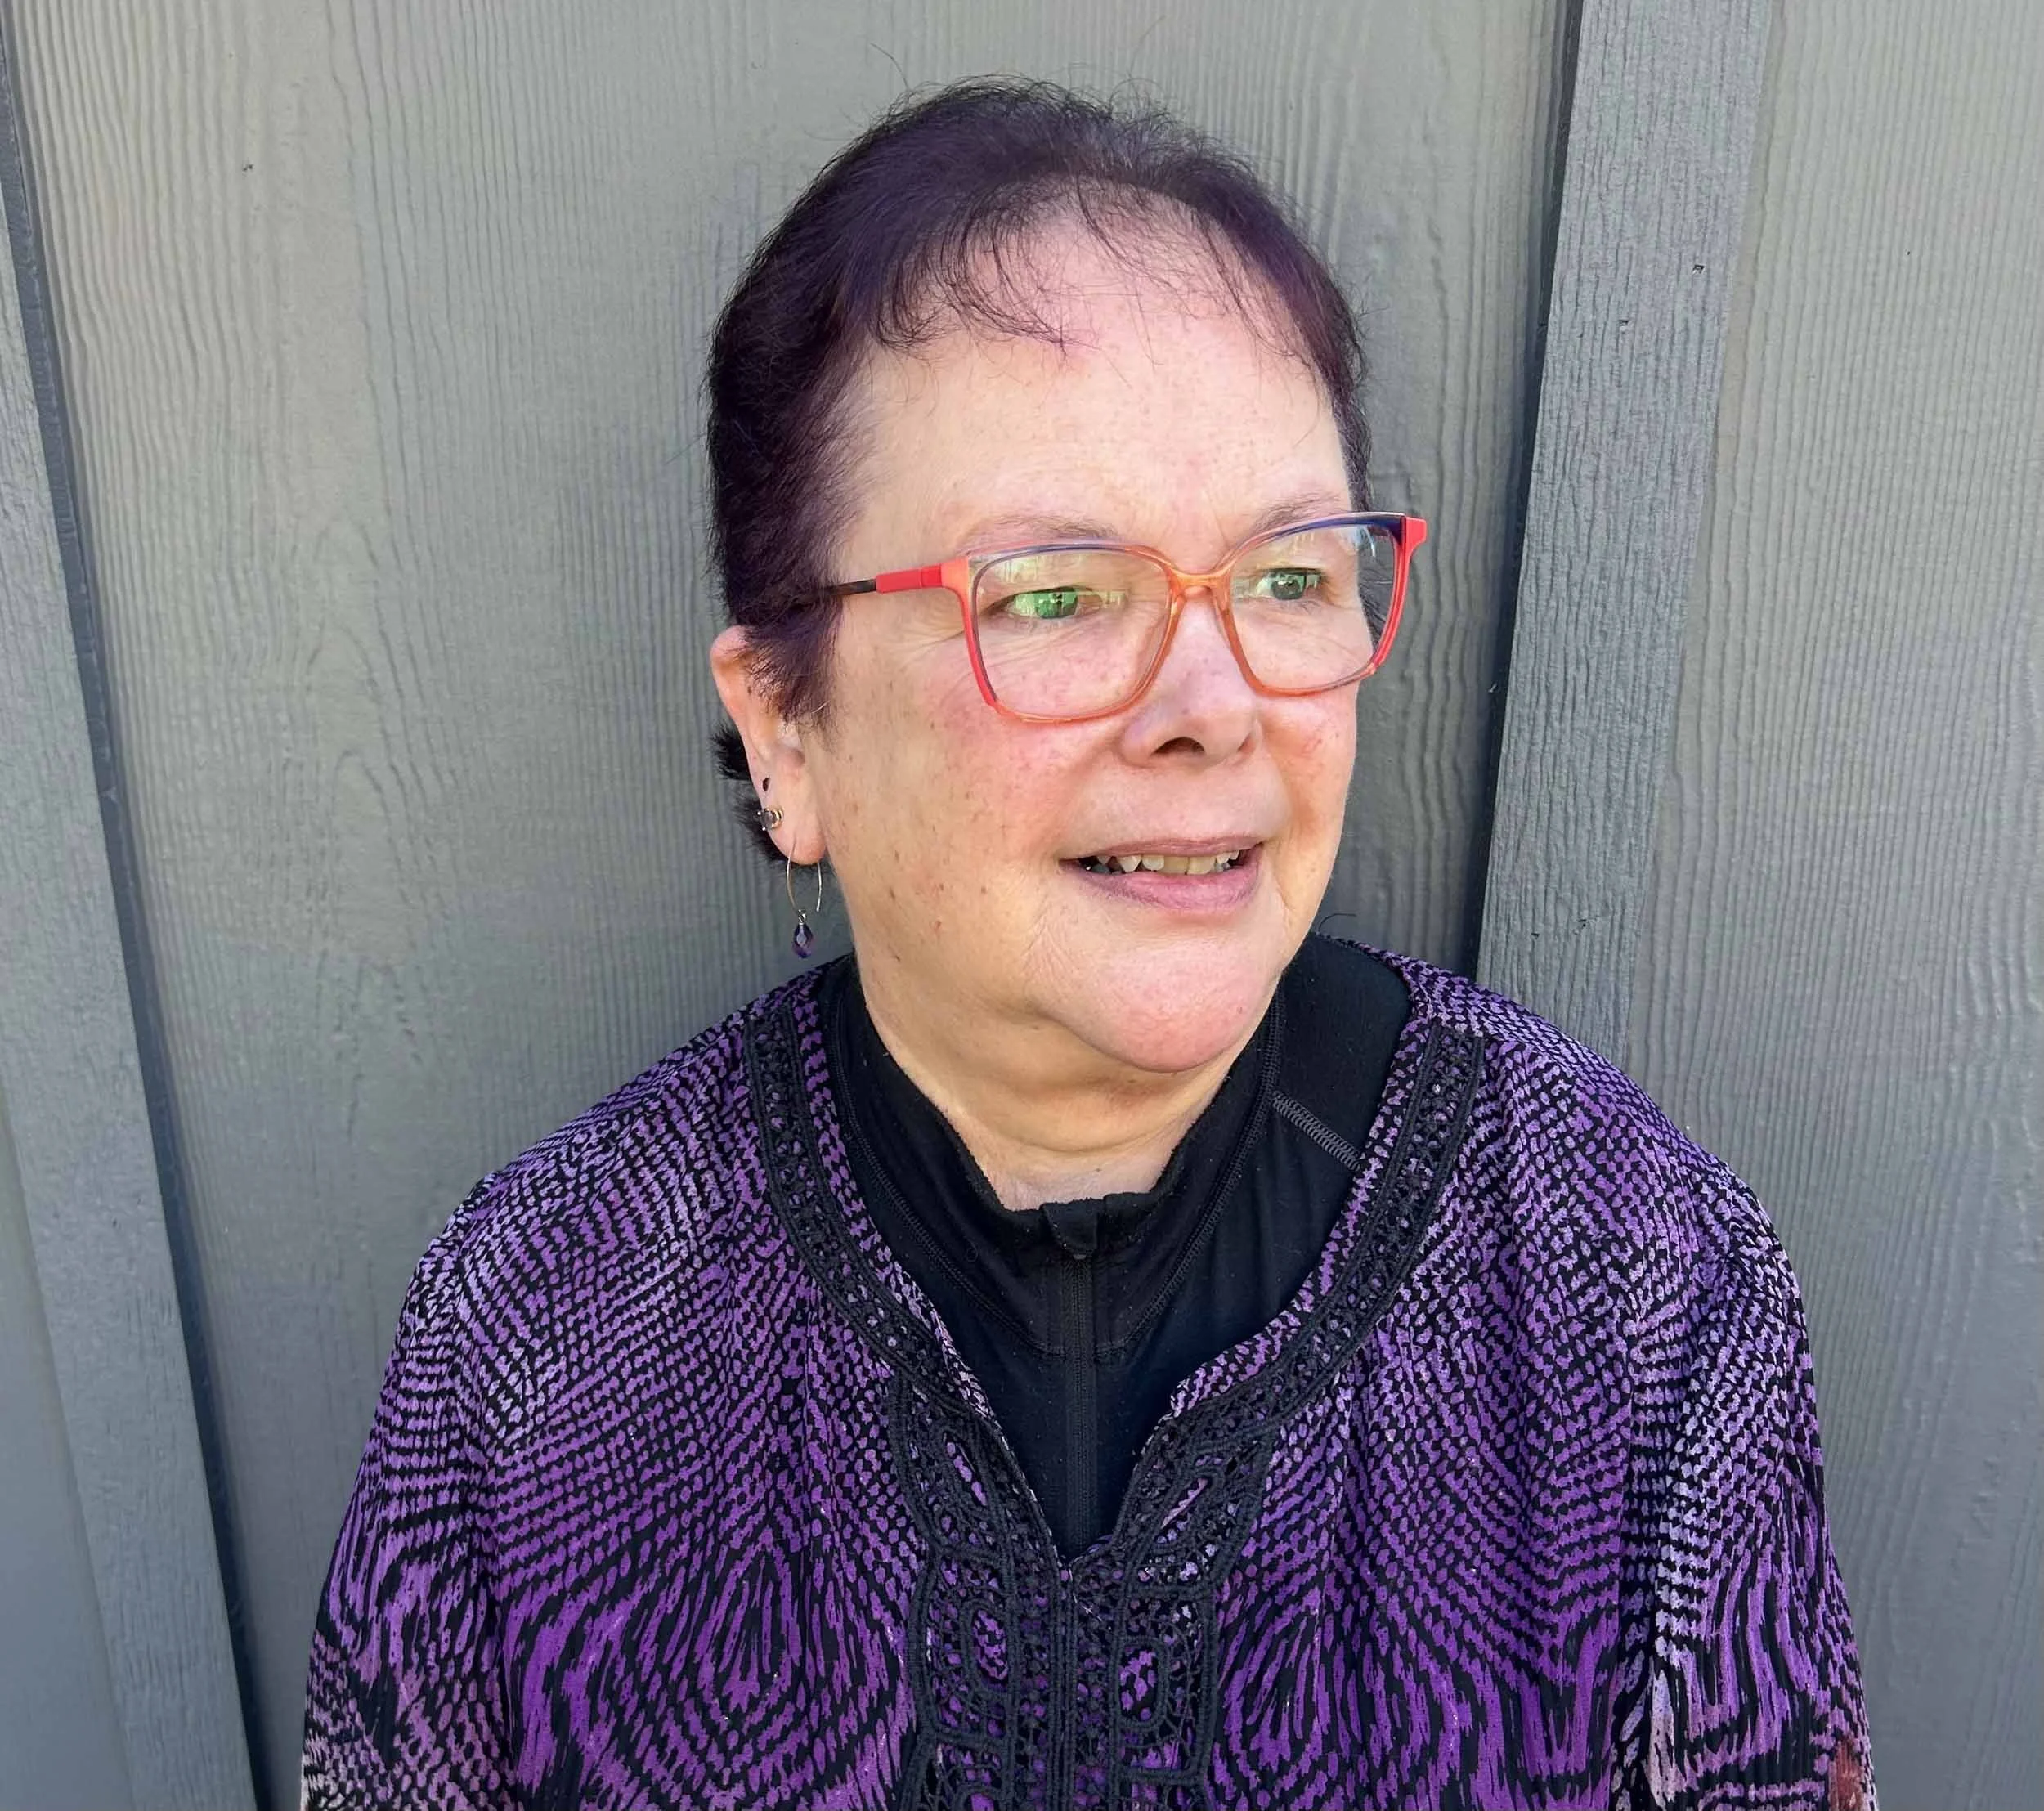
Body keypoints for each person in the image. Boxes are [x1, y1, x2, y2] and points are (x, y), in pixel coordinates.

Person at [301, 79, 1874, 1810]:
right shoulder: (537, 1338)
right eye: (1051, 595)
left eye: (1286, 576)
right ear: (784, 732)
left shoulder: (1631, 1295)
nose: (1210, 710)